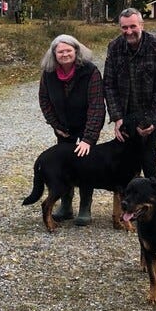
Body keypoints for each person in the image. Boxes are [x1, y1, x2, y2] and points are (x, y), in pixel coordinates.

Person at [38, 34, 106, 225]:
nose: (65, 54)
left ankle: (85, 207)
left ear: (77, 51)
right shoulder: (49, 73)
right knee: (64, 166)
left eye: (69, 50)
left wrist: (89, 138)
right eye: (61, 51)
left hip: (86, 128)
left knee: (86, 166)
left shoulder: (90, 71)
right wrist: (55, 125)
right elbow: (44, 100)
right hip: (63, 129)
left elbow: (97, 106)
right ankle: (66, 205)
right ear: (54, 54)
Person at [103, 7, 156, 181]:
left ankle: (154, 200)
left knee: (148, 158)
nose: (129, 31)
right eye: (124, 27)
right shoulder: (114, 47)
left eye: (133, 26)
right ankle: (129, 203)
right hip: (126, 115)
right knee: (126, 160)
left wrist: (154, 121)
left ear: (141, 24)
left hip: (151, 112)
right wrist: (117, 117)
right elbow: (109, 85)